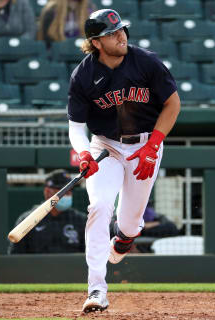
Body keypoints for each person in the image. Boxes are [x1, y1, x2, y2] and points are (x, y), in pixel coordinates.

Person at [67, 9, 181, 313]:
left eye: (122, 30)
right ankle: (96, 290)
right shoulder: (84, 75)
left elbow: (173, 103)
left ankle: (126, 236)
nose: (121, 36)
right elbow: (76, 126)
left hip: (145, 144)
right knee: (99, 206)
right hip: (106, 146)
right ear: (96, 42)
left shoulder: (146, 61)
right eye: (112, 33)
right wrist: (84, 154)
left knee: (129, 223)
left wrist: (154, 144)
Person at [8, 169, 87, 254]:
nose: (68, 194)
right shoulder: (27, 220)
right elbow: (15, 257)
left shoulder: (80, 220)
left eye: (70, 191)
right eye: (63, 190)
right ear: (47, 191)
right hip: (36, 266)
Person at [110, 205, 179, 253]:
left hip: (147, 249)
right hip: (122, 249)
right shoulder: (120, 214)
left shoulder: (152, 214)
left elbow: (171, 227)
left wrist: (143, 226)